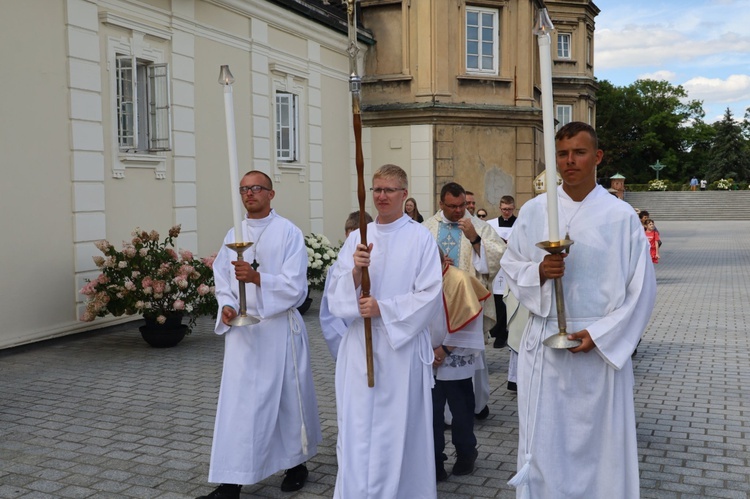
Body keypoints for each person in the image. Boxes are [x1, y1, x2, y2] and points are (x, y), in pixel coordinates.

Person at [501, 122, 656, 498]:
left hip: (599, 349)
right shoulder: (536, 211)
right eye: (562, 154)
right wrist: (538, 270)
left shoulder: (620, 217)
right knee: (545, 442)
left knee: (600, 448)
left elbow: (641, 289)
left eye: (579, 152)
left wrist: (601, 335)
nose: (570, 161)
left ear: (597, 157)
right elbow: (510, 264)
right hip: (545, 344)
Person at [198, 171, 322, 499]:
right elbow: (223, 279)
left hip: (278, 329)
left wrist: (257, 278)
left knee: (285, 402)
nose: (249, 194)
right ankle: (231, 481)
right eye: (244, 189)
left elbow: (297, 287)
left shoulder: (288, 233)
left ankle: (296, 463)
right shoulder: (233, 234)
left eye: (256, 188)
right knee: (238, 407)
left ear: (271, 194)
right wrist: (226, 305)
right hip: (244, 333)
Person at [325, 164, 443, 498]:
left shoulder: (420, 237)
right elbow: (335, 295)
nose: (381, 196)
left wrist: (383, 308)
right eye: (376, 189)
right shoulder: (358, 239)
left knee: (396, 430)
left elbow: (430, 294)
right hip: (360, 349)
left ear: (405, 195)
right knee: (358, 427)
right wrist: (355, 273)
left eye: (389, 190)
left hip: (400, 350)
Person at [423, 182, 506, 420]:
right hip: (436, 305)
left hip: (469, 303)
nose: (459, 211)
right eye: (452, 206)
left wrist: (475, 239)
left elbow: (499, 256)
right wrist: (435, 265)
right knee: (438, 352)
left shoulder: (479, 226)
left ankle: (474, 405)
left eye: (462, 206)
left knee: (470, 354)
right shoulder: (426, 228)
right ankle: (439, 412)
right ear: (441, 204)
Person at [430, 252, 489, 481]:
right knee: (431, 413)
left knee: (461, 409)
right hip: (426, 357)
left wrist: (444, 350)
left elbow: (471, 319)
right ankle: (434, 459)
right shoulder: (417, 281)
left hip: (455, 354)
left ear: (440, 258)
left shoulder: (459, 279)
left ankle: (466, 452)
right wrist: (426, 351)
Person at [319, 210, 373, 360]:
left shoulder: (377, 263)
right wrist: (347, 342)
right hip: (347, 342)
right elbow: (329, 316)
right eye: (350, 239)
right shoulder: (336, 270)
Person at [486, 195, 517, 350]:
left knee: (508, 301)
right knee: (497, 300)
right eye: (504, 209)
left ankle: (504, 334)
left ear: (513, 208)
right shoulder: (490, 225)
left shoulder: (519, 224)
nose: (507, 212)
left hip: (512, 268)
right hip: (497, 268)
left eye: (510, 209)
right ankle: (496, 330)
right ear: (500, 207)